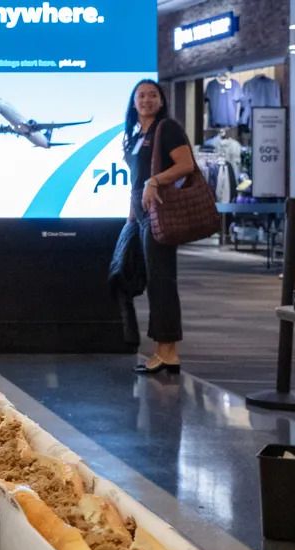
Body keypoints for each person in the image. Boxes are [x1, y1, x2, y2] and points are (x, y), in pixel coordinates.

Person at [115, 77, 195, 375]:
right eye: (141, 96)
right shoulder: (137, 133)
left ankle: (168, 352)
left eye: (152, 95)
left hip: (160, 211)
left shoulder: (167, 129)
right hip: (141, 212)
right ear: (134, 103)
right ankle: (162, 350)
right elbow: (136, 181)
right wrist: (130, 218)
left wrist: (155, 180)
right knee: (153, 281)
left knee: (162, 281)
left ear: (161, 101)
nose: (147, 100)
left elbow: (186, 165)